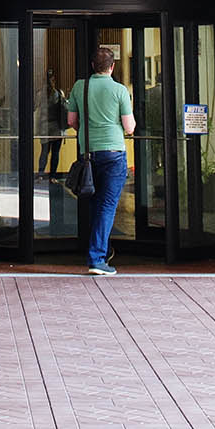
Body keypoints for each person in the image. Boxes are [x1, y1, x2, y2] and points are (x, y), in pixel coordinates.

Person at [66, 46, 135, 276]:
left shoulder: (79, 86)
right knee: (106, 205)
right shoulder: (120, 90)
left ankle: (100, 252)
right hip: (114, 154)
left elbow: (72, 121)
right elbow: (129, 127)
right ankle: (97, 259)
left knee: (96, 204)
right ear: (112, 67)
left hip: (88, 153)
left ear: (93, 66)